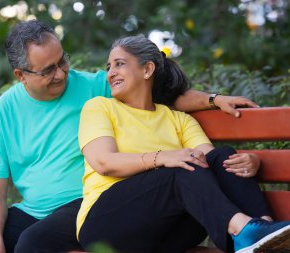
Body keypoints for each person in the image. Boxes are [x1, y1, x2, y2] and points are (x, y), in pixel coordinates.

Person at [0, 20, 262, 253]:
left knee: (33, 243)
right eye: (48, 70)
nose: (61, 74)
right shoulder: (3, 112)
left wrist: (213, 99)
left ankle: (259, 234)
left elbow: (161, 93)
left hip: (87, 204)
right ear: (21, 75)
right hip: (33, 210)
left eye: (63, 61)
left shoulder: (93, 87)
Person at [76, 35, 290, 253]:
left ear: (147, 70)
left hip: (165, 234)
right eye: (109, 66)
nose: (110, 73)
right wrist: (163, 157)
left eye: (119, 64)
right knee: (180, 165)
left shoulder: (179, 119)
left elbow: (210, 166)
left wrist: (247, 162)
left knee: (223, 157)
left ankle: (267, 234)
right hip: (107, 226)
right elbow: (104, 162)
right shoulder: (100, 107)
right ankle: (248, 232)